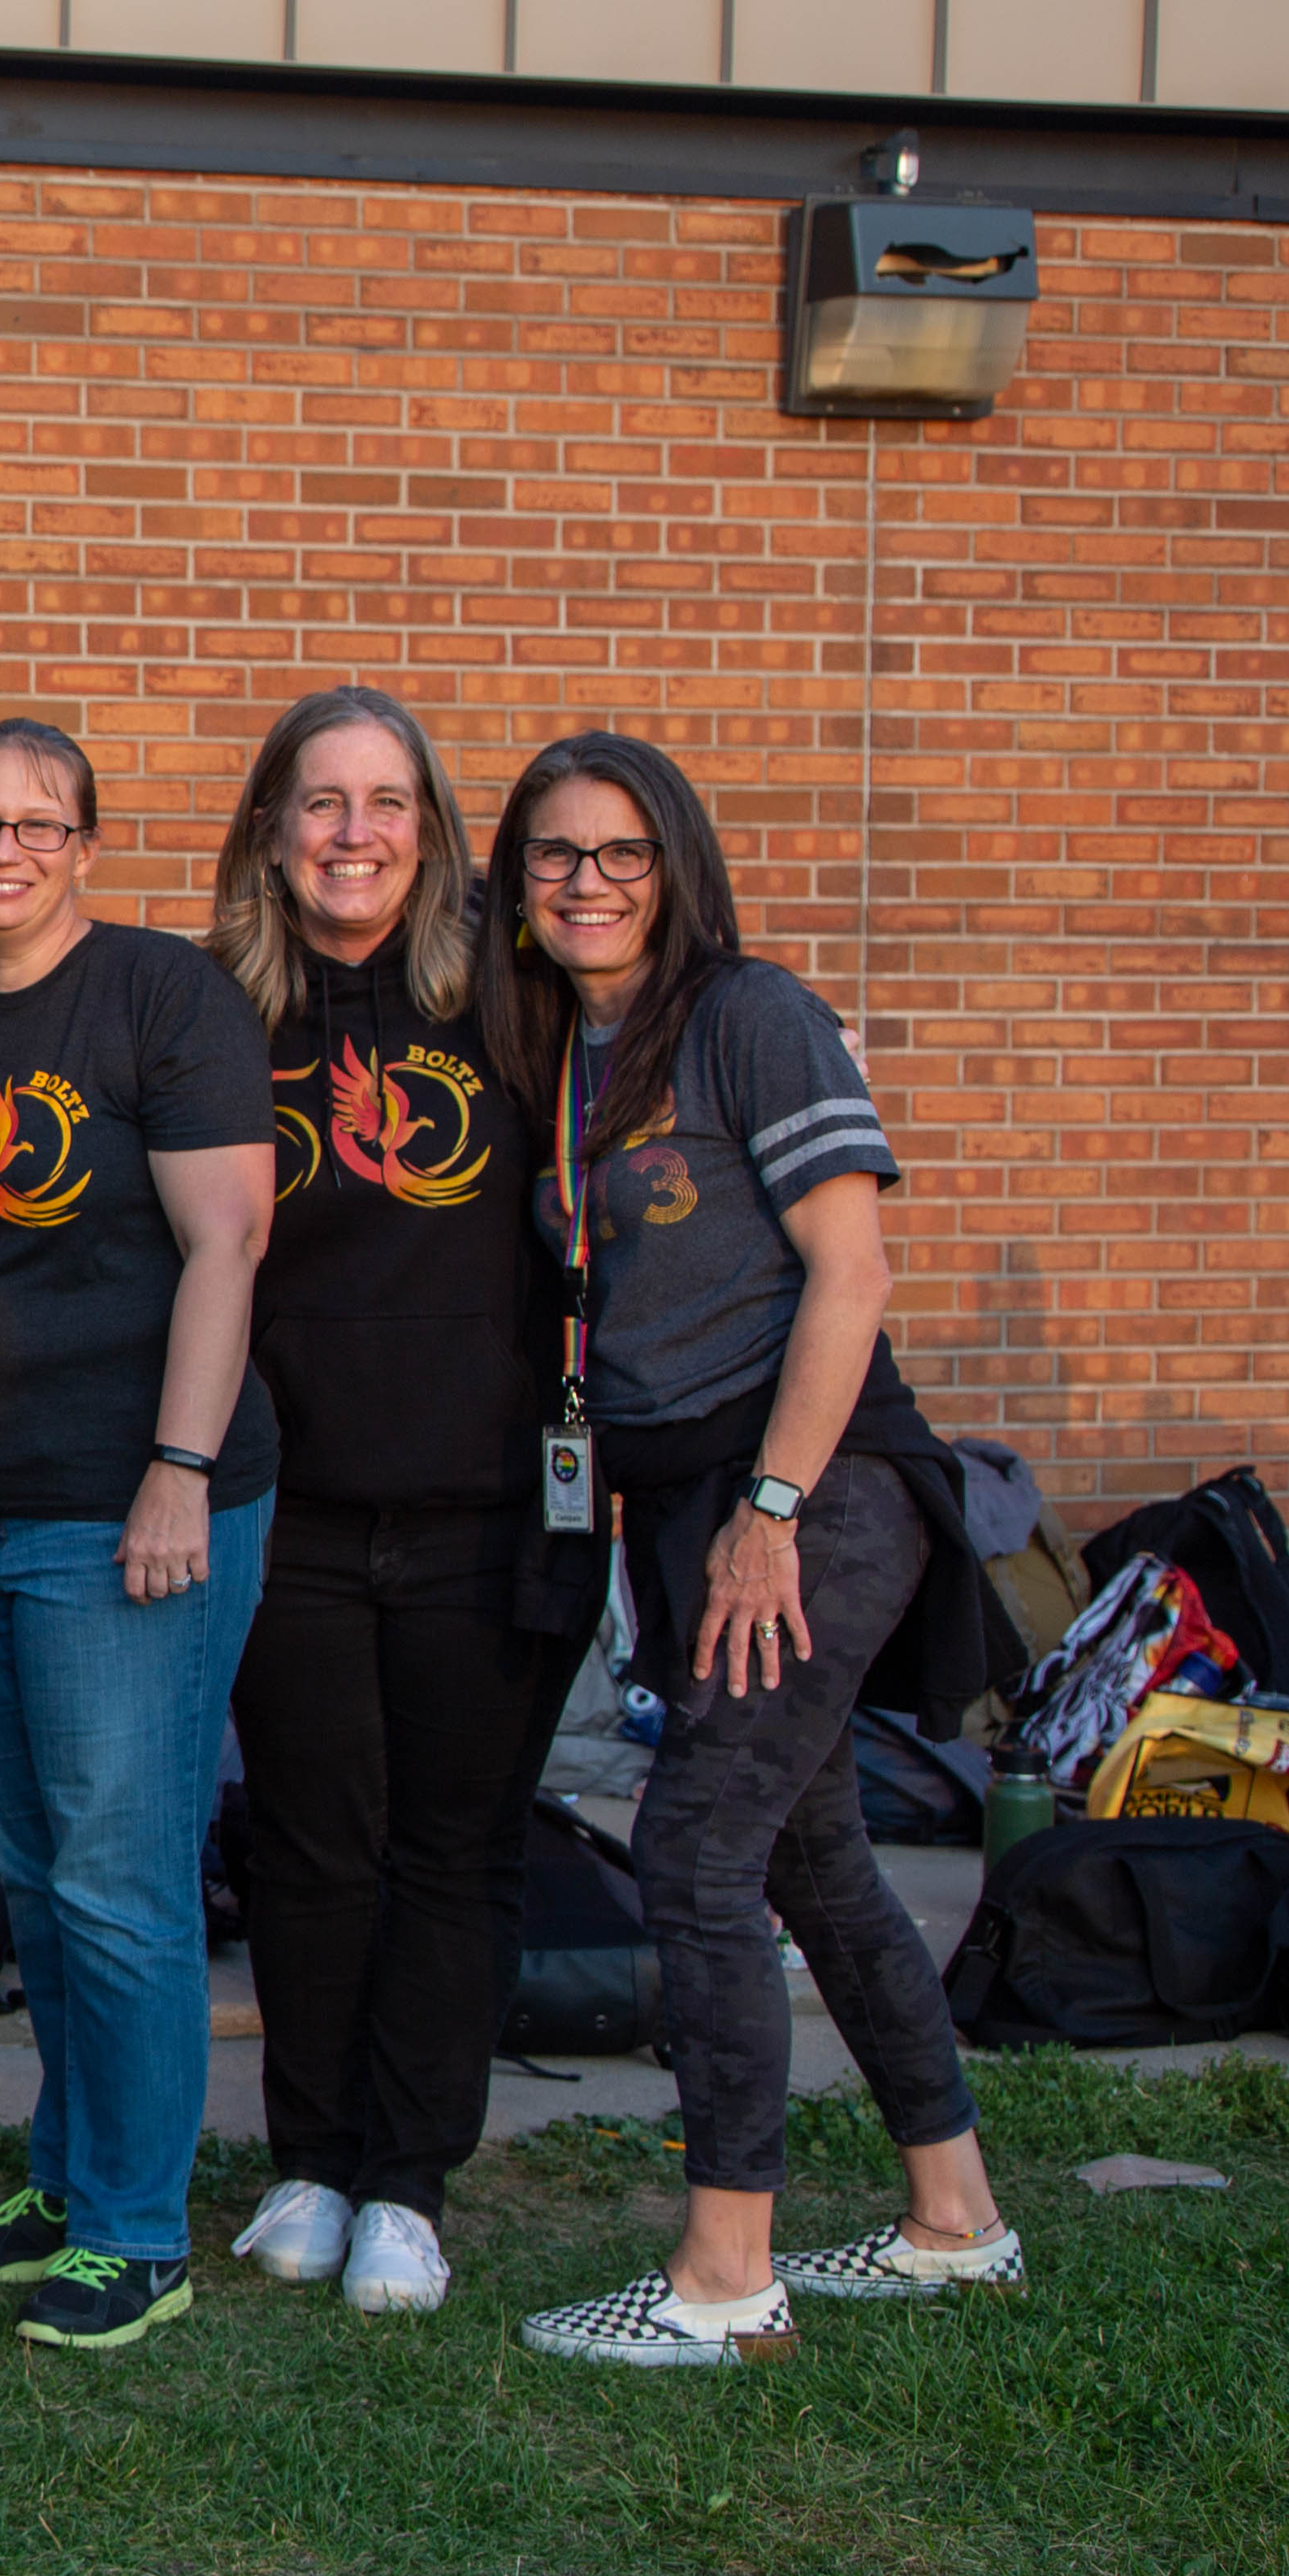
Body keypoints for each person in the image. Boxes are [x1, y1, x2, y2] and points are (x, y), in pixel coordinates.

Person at [485, 733, 1020, 2371]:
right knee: (807, 1853)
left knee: (699, 1851)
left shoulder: (748, 1017)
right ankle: (952, 2222)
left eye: (621, 851)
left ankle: (725, 2276)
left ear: (679, 867)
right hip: (679, 1495)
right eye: (554, 853)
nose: (586, 881)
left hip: (815, 1488)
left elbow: (847, 1278)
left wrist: (769, 1519)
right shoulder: (561, 1048)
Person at [0, 718, 278, 2353]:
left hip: (132, 1517)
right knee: (33, 1874)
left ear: (87, 846)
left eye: (38, 824)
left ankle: (133, 2228)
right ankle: (66, 2172)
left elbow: (225, 1239)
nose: (3, 847)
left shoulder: (159, 998)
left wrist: (174, 1465)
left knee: (118, 1876)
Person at [205, 687, 604, 2316]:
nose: (350, 832)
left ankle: (407, 2181)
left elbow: (647, 1131)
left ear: (433, 833)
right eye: (318, 802)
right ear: (269, 831)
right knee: (308, 1847)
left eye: (384, 803)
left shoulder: (513, 1004)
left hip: (487, 1507)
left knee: (453, 1848)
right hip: (285, 1505)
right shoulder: (212, 1013)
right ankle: (307, 2157)